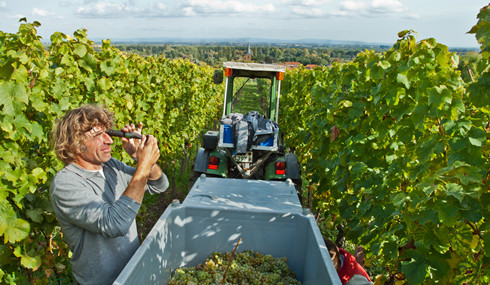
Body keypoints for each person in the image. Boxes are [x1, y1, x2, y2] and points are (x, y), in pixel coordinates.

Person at [49, 105, 169, 285]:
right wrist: (144, 164)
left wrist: (138, 157)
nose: (109, 141)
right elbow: (114, 224)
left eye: (107, 133)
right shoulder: (65, 183)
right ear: (75, 142)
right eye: (98, 135)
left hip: (132, 275)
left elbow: (158, 185)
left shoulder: (111, 166)